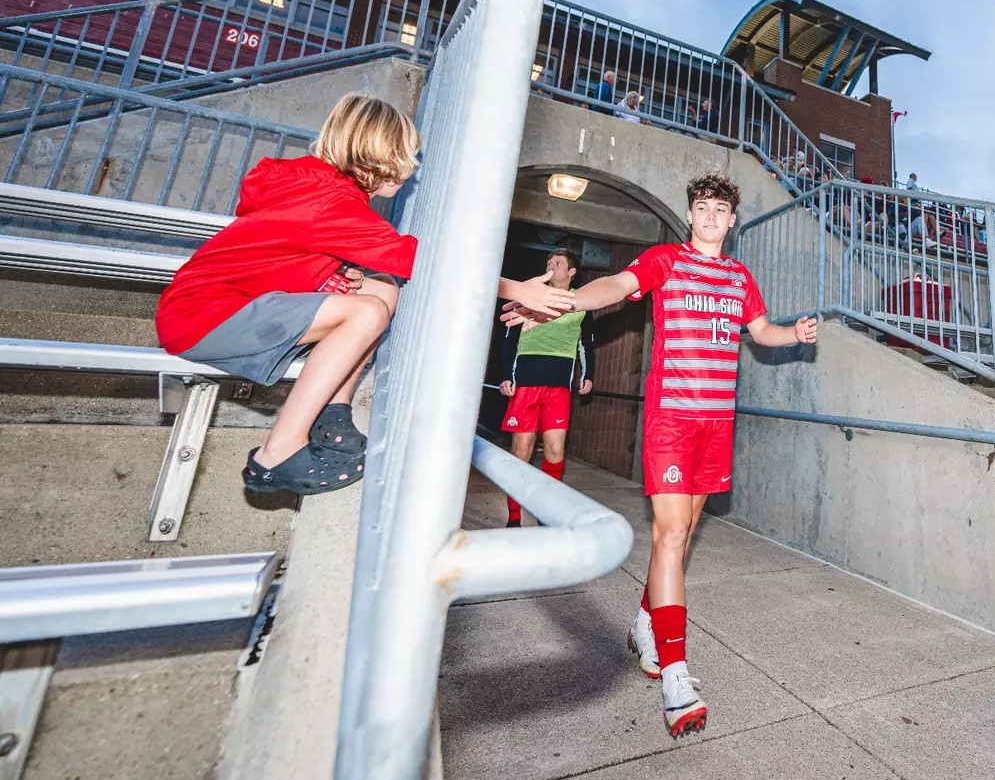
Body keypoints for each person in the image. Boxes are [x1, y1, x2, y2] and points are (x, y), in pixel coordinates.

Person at [507, 171, 817, 738]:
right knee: (670, 536)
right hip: (671, 421)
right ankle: (676, 676)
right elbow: (618, 287)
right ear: (691, 214)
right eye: (701, 207)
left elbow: (761, 331)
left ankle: (646, 622)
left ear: (731, 220)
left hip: (716, 424)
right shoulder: (666, 261)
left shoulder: (739, 276)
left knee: (685, 532)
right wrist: (566, 301)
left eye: (720, 210)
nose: (710, 217)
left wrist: (793, 334)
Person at [156, 93, 570, 495]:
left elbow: (275, 255)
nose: (412, 167)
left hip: (220, 305)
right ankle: (276, 453)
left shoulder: (318, 188)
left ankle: (332, 412)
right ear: (379, 159)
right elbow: (425, 263)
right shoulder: (333, 205)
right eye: (406, 156)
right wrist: (512, 288)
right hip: (203, 319)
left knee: (381, 289)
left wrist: (327, 275)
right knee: (367, 312)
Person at [498, 247, 595, 526]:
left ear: (572, 272)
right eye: (549, 261)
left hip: (559, 387)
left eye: (559, 263)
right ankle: (514, 517)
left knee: (554, 451)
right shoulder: (528, 296)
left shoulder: (580, 303)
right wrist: (506, 375)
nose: (551, 265)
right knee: (521, 453)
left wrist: (587, 373)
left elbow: (586, 342)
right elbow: (509, 341)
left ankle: (546, 514)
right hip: (526, 384)